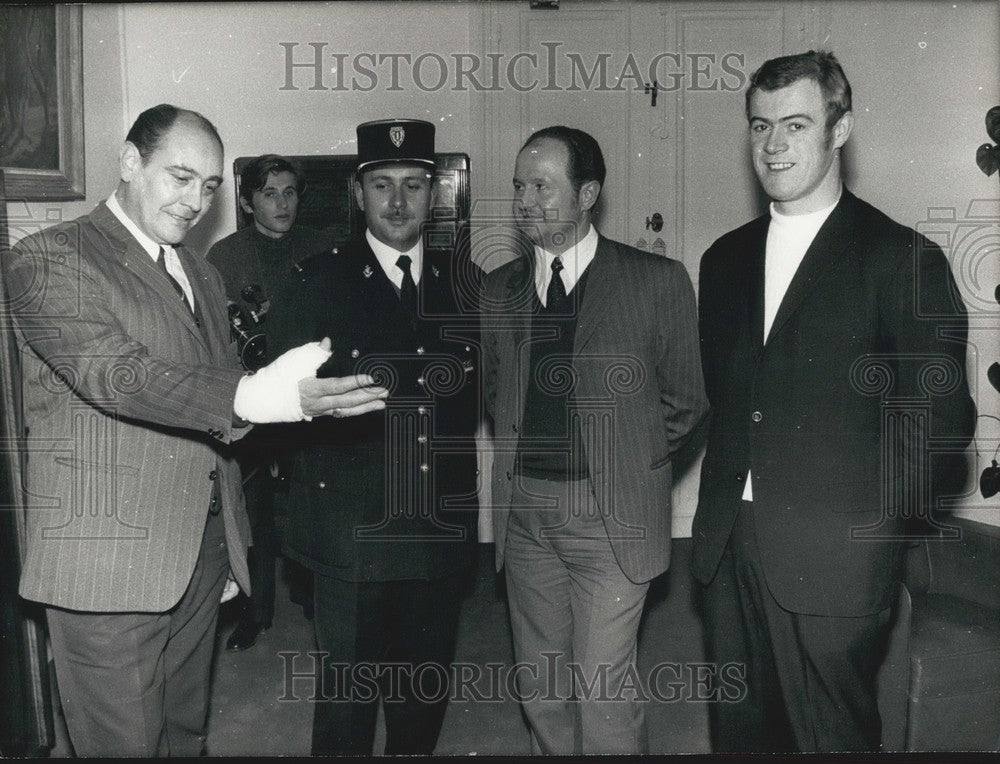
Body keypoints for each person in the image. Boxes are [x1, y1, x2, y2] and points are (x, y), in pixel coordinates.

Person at [1, 104, 387, 757]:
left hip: (200, 556)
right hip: (108, 561)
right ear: (130, 161)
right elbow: (118, 375)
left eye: (208, 188)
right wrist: (257, 395)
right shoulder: (47, 257)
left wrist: (296, 400)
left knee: (185, 735)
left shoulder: (200, 273)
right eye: (180, 177)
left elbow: (219, 404)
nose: (195, 202)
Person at [692, 50, 977, 752]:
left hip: (837, 560)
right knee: (741, 737)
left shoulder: (900, 258)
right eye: (760, 126)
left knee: (831, 741)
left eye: (795, 124)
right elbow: (727, 399)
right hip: (730, 546)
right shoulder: (723, 260)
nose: (773, 145)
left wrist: (875, 537)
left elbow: (941, 425)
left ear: (840, 129)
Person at [480, 125, 708, 754]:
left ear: (587, 194)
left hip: (611, 519)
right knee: (541, 685)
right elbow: (498, 395)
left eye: (543, 186)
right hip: (525, 514)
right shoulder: (499, 289)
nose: (527, 200)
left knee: (604, 688)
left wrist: (625, 462)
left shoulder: (656, 282)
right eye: (520, 186)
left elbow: (687, 401)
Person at [270, 119, 481, 755]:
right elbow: (278, 407)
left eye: (413, 185)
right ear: (358, 194)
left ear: (433, 193)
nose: (397, 202)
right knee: (347, 704)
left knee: (423, 697)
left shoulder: (465, 284)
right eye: (382, 185)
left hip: (437, 529)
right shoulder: (315, 281)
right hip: (351, 532)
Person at [207, 155, 335, 650]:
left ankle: (315, 600)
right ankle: (256, 611)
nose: (281, 203)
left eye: (289, 192)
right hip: (255, 401)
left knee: (314, 501)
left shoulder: (324, 248)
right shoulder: (224, 257)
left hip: (308, 398)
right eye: (268, 193)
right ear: (246, 201)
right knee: (252, 508)